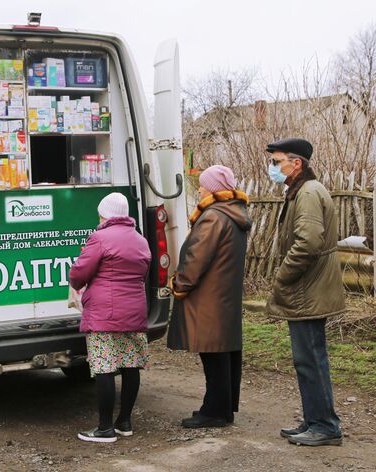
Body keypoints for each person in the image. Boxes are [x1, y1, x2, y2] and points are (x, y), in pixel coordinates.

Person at [265, 138, 346, 447]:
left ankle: (325, 426)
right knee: (309, 360)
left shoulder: (309, 193)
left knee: (310, 359)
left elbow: (308, 243)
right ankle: (316, 420)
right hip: (308, 290)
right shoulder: (302, 191)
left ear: (296, 164)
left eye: (277, 162)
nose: (273, 168)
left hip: (307, 290)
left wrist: (283, 276)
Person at [167, 165, 251, 428]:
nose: (201, 188)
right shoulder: (234, 213)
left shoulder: (214, 217)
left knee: (213, 355)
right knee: (224, 353)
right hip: (223, 295)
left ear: (213, 188)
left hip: (208, 297)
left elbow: (196, 258)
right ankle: (222, 408)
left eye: (204, 185)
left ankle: (214, 411)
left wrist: (179, 284)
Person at [69, 192, 152, 443]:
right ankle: (124, 422)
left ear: (104, 213)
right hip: (134, 310)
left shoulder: (100, 238)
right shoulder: (140, 240)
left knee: (104, 367)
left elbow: (79, 274)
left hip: (104, 313)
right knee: (129, 364)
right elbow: (143, 273)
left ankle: (104, 428)